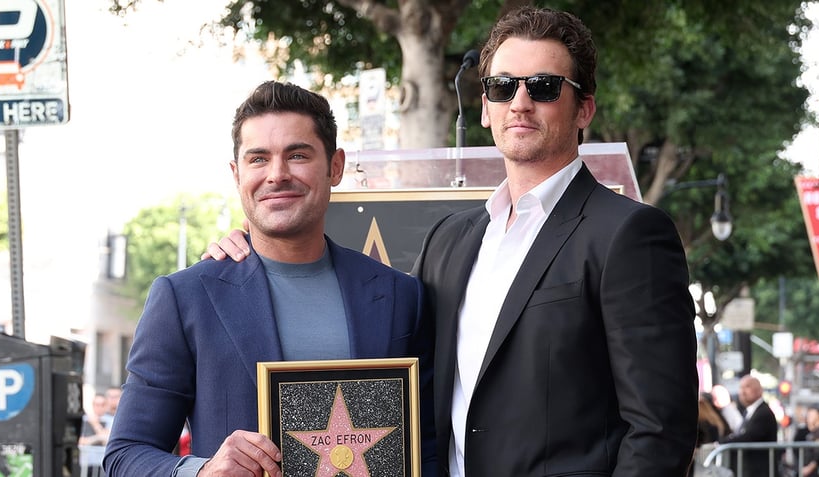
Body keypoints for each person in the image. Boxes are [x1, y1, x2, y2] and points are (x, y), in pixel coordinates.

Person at [206, 7, 698, 476]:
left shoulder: (629, 235)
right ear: (485, 108)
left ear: (583, 107)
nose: (520, 103)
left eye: (544, 87)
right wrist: (252, 256)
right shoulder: (451, 239)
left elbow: (660, 430)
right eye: (503, 87)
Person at [103, 81, 435, 477]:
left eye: (297, 155)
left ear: (335, 167)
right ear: (237, 173)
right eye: (258, 159)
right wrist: (201, 471)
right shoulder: (185, 297)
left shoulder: (401, 295)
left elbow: (428, 448)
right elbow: (124, 456)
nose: (277, 175)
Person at [716, 375, 778, 477]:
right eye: (741, 387)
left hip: (760, 471)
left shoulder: (763, 413)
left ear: (759, 390)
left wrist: (722, 442)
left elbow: (747, 437)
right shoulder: (750, 411)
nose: (743, 392)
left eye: (747, 387)